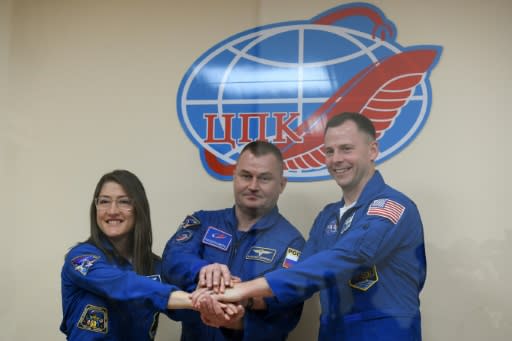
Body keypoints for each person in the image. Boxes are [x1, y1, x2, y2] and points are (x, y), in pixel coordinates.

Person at [206, 112, 427, 341]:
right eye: (329, 151)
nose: (336, 159)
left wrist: (249, 287)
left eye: (346, 149)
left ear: (372, 150)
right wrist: (247, 300)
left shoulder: (392, 206)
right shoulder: (327, 217)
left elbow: (350, 256)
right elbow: (299, 277)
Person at [60, 169, 232, 341]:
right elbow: (121, 284)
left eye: (124, 202)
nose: (112, 210)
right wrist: (189, 299)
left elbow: (187, 312)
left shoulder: (156, 267)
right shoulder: (80, 258)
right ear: (95, 208)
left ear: (138, 209)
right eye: (104, 201)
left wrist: (213, 296)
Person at [162, 141, 305, 341]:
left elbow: (287, 309)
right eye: (246, 176)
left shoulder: (293, 244)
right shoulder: (203, 221)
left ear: (281, 184)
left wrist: (242, 301)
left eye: (264, 178)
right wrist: (203, 271)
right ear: (234, 176)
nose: (253, 186)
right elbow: (172, 258)